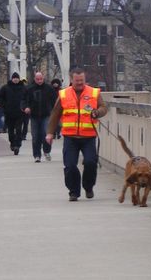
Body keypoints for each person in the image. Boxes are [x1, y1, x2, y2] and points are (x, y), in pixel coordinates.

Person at [46, 67, 108, 201]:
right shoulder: (63, 94)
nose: (80, 83)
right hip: (70, 137)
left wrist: (97, 112)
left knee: (91, 163)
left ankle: (88, 186)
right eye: (77, 80)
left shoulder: (94, 92)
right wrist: (50, 133)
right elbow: (55, 115)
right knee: (70, 166)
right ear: (71, 79)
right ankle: (73, 192)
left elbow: (104, 108)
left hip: (88, 136)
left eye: (82, 80)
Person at [22, 72, 57, 162]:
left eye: (41, 79)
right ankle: (37, 155)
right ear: (34, 79)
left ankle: (47, 151)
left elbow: (55, 101)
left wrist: (55, 112)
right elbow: (24, 100)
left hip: (46, 115)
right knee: (35, 136)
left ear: (43, 78)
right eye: (37, 79)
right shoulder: (29, 89)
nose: (39, 81)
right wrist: (25, 107)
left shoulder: (49, 88)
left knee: (45, 134)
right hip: (34, 115)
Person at [0, 72, 27, 155]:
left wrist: (25, 107)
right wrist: (4, 106)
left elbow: (27, 97)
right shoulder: (5, 88)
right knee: (10, 130)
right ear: (12, 79)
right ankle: (12, 143)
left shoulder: (23, 88)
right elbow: (0, 97)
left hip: (20, 112)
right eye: (14, 78)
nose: (16, 79)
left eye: (17, 78)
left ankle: (18, 145)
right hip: (9, 112)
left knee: (18, 129)